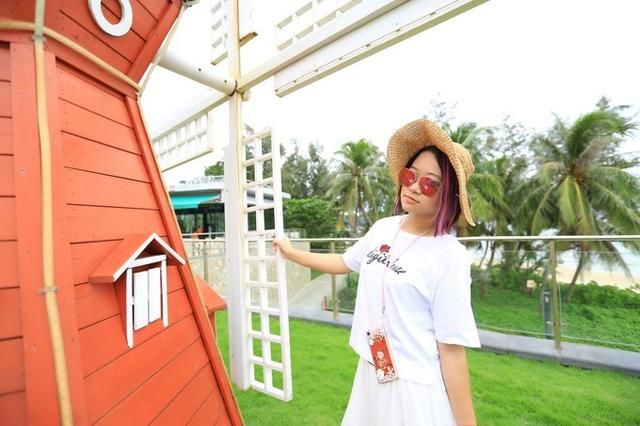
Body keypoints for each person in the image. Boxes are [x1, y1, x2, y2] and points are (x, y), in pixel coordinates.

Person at [273, 119, 481, 426]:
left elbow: (451, 349)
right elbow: (344, 262)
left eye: (430, 183)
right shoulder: (384, 228)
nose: (414, 186)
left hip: (413, 389)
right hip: (372, 371)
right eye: (411, 175)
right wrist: (291, 253)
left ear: (448, 194)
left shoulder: (450, 256)